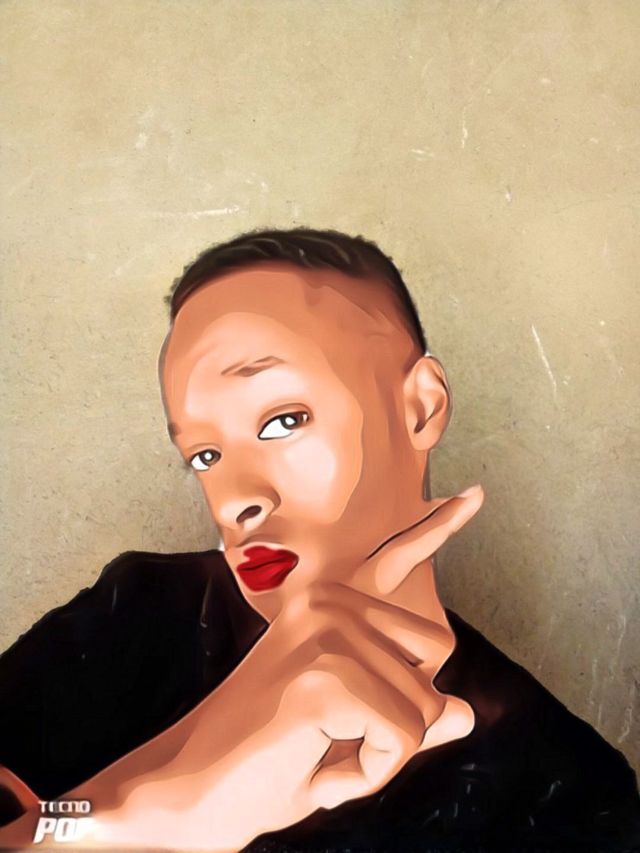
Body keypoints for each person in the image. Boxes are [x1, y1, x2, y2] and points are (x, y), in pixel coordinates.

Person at [0, 228, 638, 852]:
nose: (232, 500)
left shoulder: (563, 787)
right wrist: (152, 806)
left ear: (420, 407)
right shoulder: (136, 616)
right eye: (204, 456)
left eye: (283, 421)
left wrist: (66, 822)